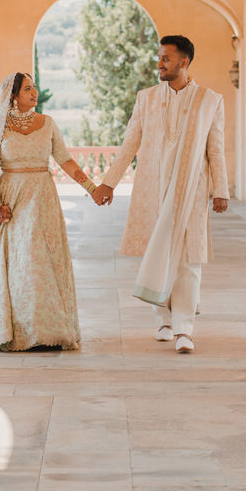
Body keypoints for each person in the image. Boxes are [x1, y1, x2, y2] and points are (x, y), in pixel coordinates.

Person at [93, 35, 228, 354]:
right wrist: (108, 183)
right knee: (159, 253)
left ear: (184, 61)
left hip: (192, 190)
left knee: (189, 259)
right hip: (152, 189)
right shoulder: (147, 98)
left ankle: (184, 329)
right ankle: (164, 321)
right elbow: (130, 143)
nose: (159, 63)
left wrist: (220, 189)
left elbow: (216, 149)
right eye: (159, 58)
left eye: (166, 58)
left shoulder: (210, 100)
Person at [0, 72, 101, 351]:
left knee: (38, 258)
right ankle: (13, 329)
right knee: (17, 261)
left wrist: (92, 188)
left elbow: (65, 160)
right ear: (13, 95)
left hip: (42, 199)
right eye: (27, 89)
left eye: (34, 87)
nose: (34, 92)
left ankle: (45, 330)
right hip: (11, 200)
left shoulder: (48, 124)